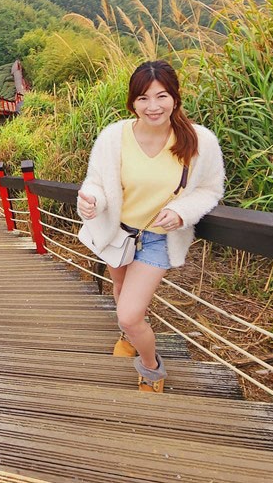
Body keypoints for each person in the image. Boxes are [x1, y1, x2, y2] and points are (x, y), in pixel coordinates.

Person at [76, 60, 224, 392]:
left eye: (161, 96)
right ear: (132, 102)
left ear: (175, 97)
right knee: (120, 295)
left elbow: (211, 190)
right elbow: (97, 183)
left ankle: (151, 366)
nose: (153, 106)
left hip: (157, 239)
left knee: (129, 313)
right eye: (143, 98)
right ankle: (127, 336)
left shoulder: (199, 142)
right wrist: (91, 201)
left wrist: (183, 212)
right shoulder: (114, 137)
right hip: (118, 233)